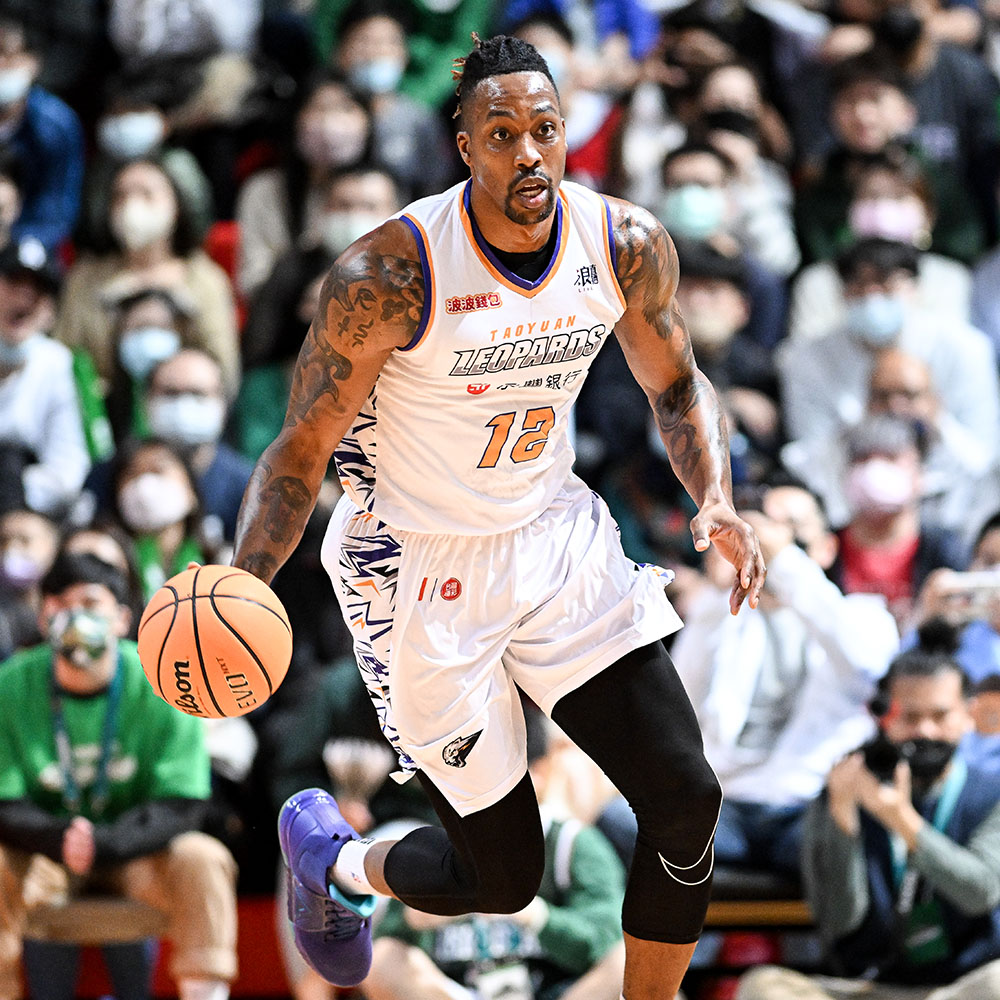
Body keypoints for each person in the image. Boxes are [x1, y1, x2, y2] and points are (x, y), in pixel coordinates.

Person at [228, 32, 766, 999]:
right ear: (464, 145)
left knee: (686, 800)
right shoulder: (387, 275)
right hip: (415, 562)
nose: (528, 152)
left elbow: (679, 388)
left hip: (552, 536)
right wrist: (243, 591)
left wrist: (716, 496)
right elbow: (297, 454)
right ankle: (337, 866)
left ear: (569, 136)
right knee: (504, 878)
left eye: (545, 130)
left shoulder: (624, 244)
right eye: (503, 132)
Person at [0, 550, 238, 1000]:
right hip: (45, 857)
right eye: (59, 604)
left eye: (89, 603)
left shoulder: (166, 679)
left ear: (122, 618)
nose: (73, 616)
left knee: (203, 857)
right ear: (42, 615)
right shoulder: (10, 685)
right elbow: (3, 802)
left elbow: (183, 803)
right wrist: (60, 838)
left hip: (137, 854)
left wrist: (107, 843)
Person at [736, 620, 1000, 1000]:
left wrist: (903, 823)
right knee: (762, 987)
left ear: (967, 715)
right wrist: (844, 822)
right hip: (865, 987)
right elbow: (837, 921)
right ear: (882, 716)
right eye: (909, 717)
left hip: (957, 989)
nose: (925, 731)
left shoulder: (990, 794)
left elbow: (982, 892)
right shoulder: (844, 788)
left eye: (940, 716)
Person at [664, 483, 898, 875]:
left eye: (790, 528)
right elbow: (681, 698)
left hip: (805, 809)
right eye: (763, 531)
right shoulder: (727, 613)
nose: (770, 542)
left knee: (856, 835)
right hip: (725, 809)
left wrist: (783, 558)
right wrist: (722, 589)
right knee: (622, 822)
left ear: (825, 548)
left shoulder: (861, 615)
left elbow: (866, 665)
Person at [363, 706, 628, 1000]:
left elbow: (606, 940)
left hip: (557, 992)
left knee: (624, 961)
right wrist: (414, 921)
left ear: (537, 776)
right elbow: (388, 938)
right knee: (383, 959)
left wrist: (538, 917)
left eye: (493, 777)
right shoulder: (440, 838)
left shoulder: (571, 843)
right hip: (459, 993)